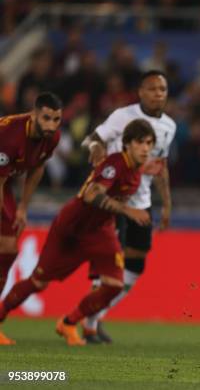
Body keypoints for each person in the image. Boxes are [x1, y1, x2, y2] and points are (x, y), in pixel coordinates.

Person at [0, 119, 155, 346]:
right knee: (38, 282)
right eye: (140, 142)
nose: (145, 148)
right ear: (127, 144)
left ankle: (69, 322)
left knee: (114, 284)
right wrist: (126, 210)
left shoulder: (136, 171)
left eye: (149, 143)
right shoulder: (115, 165)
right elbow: (92, 195)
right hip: (72, 227)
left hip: (100, 231)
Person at [80, 70, 176, 343]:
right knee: (109, 263)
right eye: (153, 88)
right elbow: (92, 138)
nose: (158, 93)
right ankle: (87, 323)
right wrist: (95, 149)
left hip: (142, 201)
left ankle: (95, 317)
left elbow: (161, 166)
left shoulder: (169, 125)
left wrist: (166, 204)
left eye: (163, 89)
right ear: (141, 92)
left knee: (136, 263)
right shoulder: (123, 116)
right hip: (113, 200)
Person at [0, 92, 63, 297]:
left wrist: (23, 208)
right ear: (33, 115)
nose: (51, 125)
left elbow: (37, 167)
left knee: (9, 251)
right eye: (46, 118)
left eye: (56, 120)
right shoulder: (9, 136)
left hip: (4, 182)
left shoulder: (52, 137)